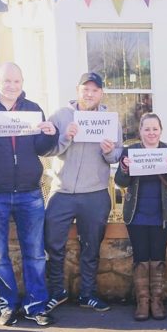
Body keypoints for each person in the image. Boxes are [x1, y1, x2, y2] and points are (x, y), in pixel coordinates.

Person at [44, 72, 123, 313]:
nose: (89, 94)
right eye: (85, 89)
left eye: (95, 90)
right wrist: (66, 137)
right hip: (62, 191)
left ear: (101, 93)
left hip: (95, 192)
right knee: (52, 244)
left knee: (91, 246)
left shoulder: (110, 120)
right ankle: (57, 291)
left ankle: (87, 294)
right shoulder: (60, 116)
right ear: (78, 90)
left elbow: (117, 155)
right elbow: (46, 151)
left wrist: (108, 152)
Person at [0, 62, 58, 326]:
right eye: (7, 81)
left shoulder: (33, 109)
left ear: (22, 83)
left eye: (17, 82)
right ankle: (7, 306)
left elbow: (42, 149)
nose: (12, 86)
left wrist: (50, 135)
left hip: (29, 192)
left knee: (34, 253)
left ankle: (35, 306)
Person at [115, 113, 167, 321]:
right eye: (147, 129)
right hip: (136, 213)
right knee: (141, 257)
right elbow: (121, 181)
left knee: (158, 256)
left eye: (155, 129)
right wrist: (125, 168)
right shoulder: (130, 151)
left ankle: (157, 301)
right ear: (140, 131)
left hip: (163, 213)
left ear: (160, 130)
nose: (151, 133)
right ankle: (143, 302)